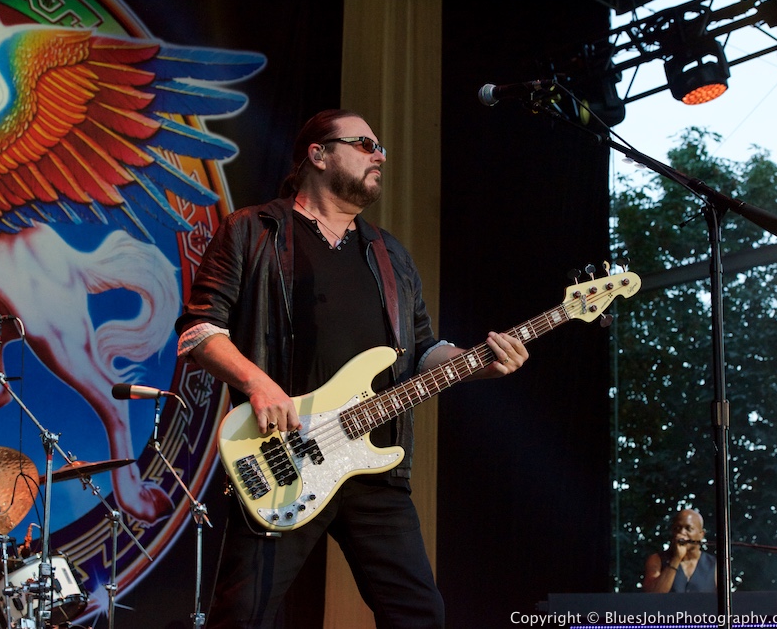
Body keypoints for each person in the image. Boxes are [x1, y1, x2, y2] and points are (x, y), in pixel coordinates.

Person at [175, 109, 528, 628]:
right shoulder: (253, 230)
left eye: (381, 147)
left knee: (420, 615)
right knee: (242, 616)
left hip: (374, 467)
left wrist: (479, 365)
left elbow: (422, 351)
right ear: (318, 154)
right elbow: (199, 329)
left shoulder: (391, 255)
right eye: (365, 144)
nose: (379, 155)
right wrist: (257, 382)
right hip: (282, 456)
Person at [642, 508, 716, 593]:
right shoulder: (657, 560)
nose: (682, 532)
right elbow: (653, 596)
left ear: (701, 535)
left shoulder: (714, 565)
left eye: (688, 529)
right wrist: (676, 559)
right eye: (677, 528)